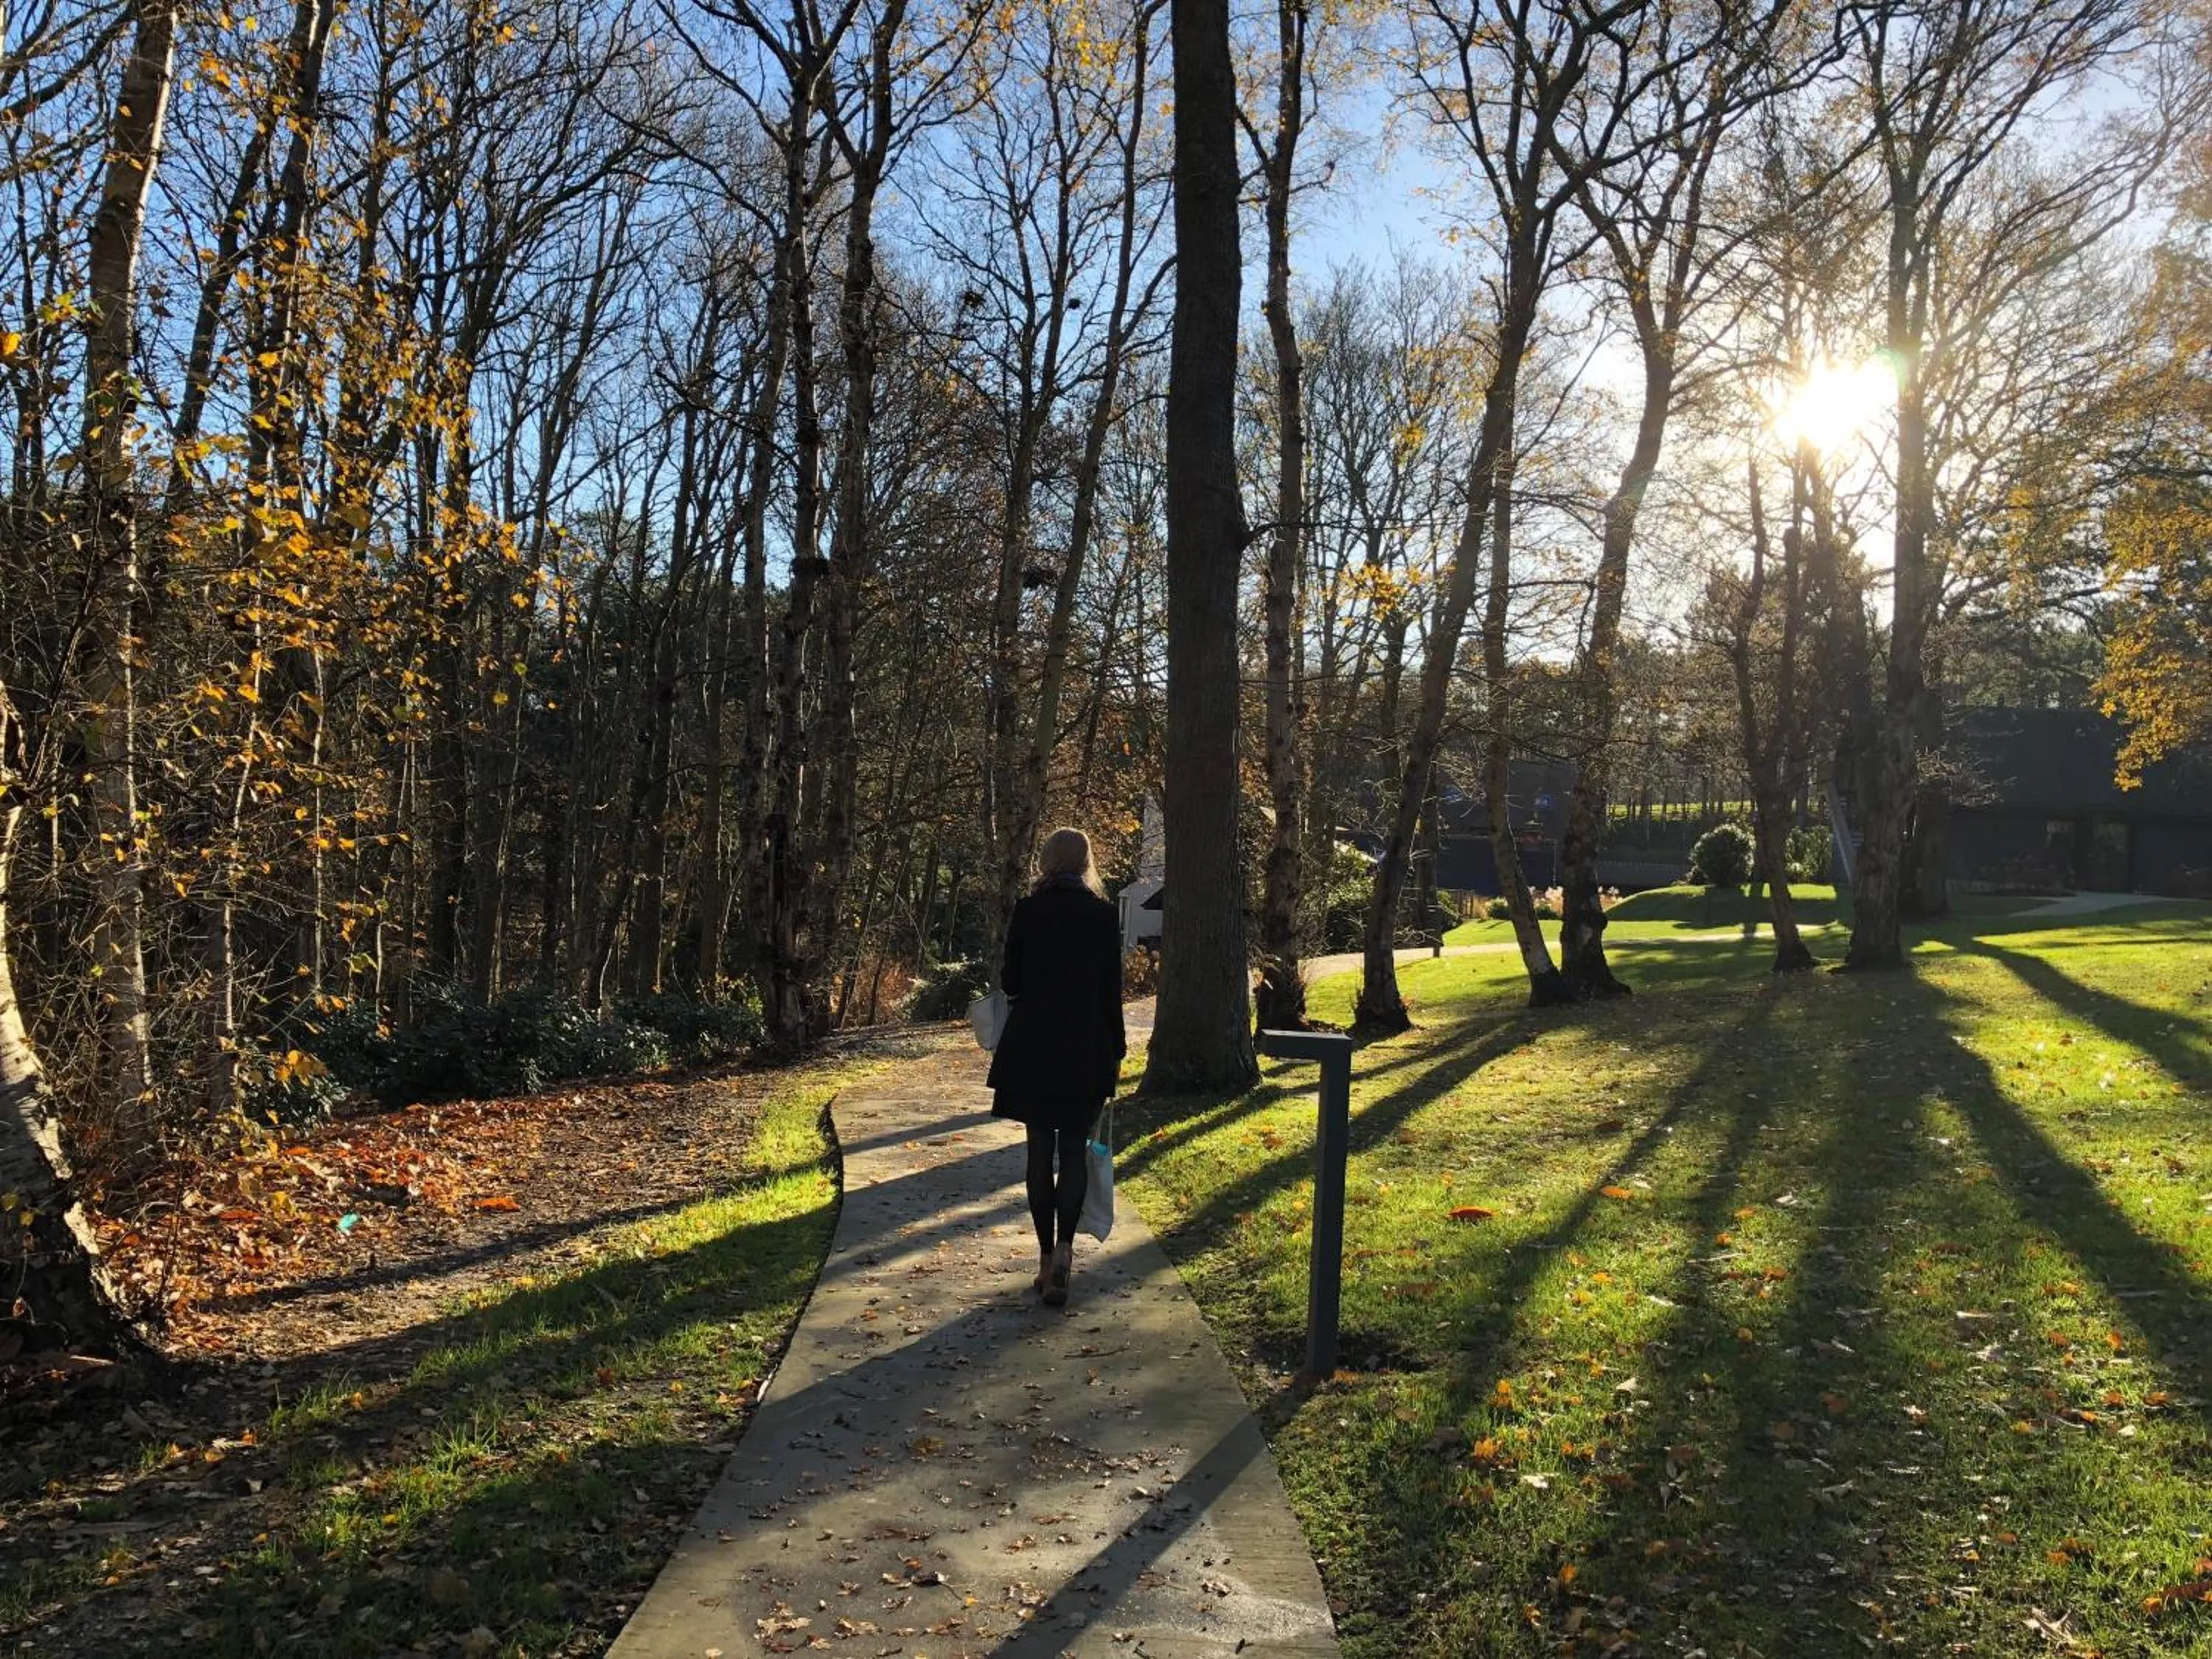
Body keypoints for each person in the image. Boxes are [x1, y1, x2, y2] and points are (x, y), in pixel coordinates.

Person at [987, 827, 1126, 1307]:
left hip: (1034, 1047)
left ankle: (1046, 1259)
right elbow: (1111, 992)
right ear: (1087, 863)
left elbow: (1011, 982)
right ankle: (1067, 1249)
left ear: (1046, 861)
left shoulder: (1029, 910)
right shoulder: (1103, 916)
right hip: (1086, 1048)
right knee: (1074, 1149)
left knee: (1039, 1153)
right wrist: (1117, 1050)